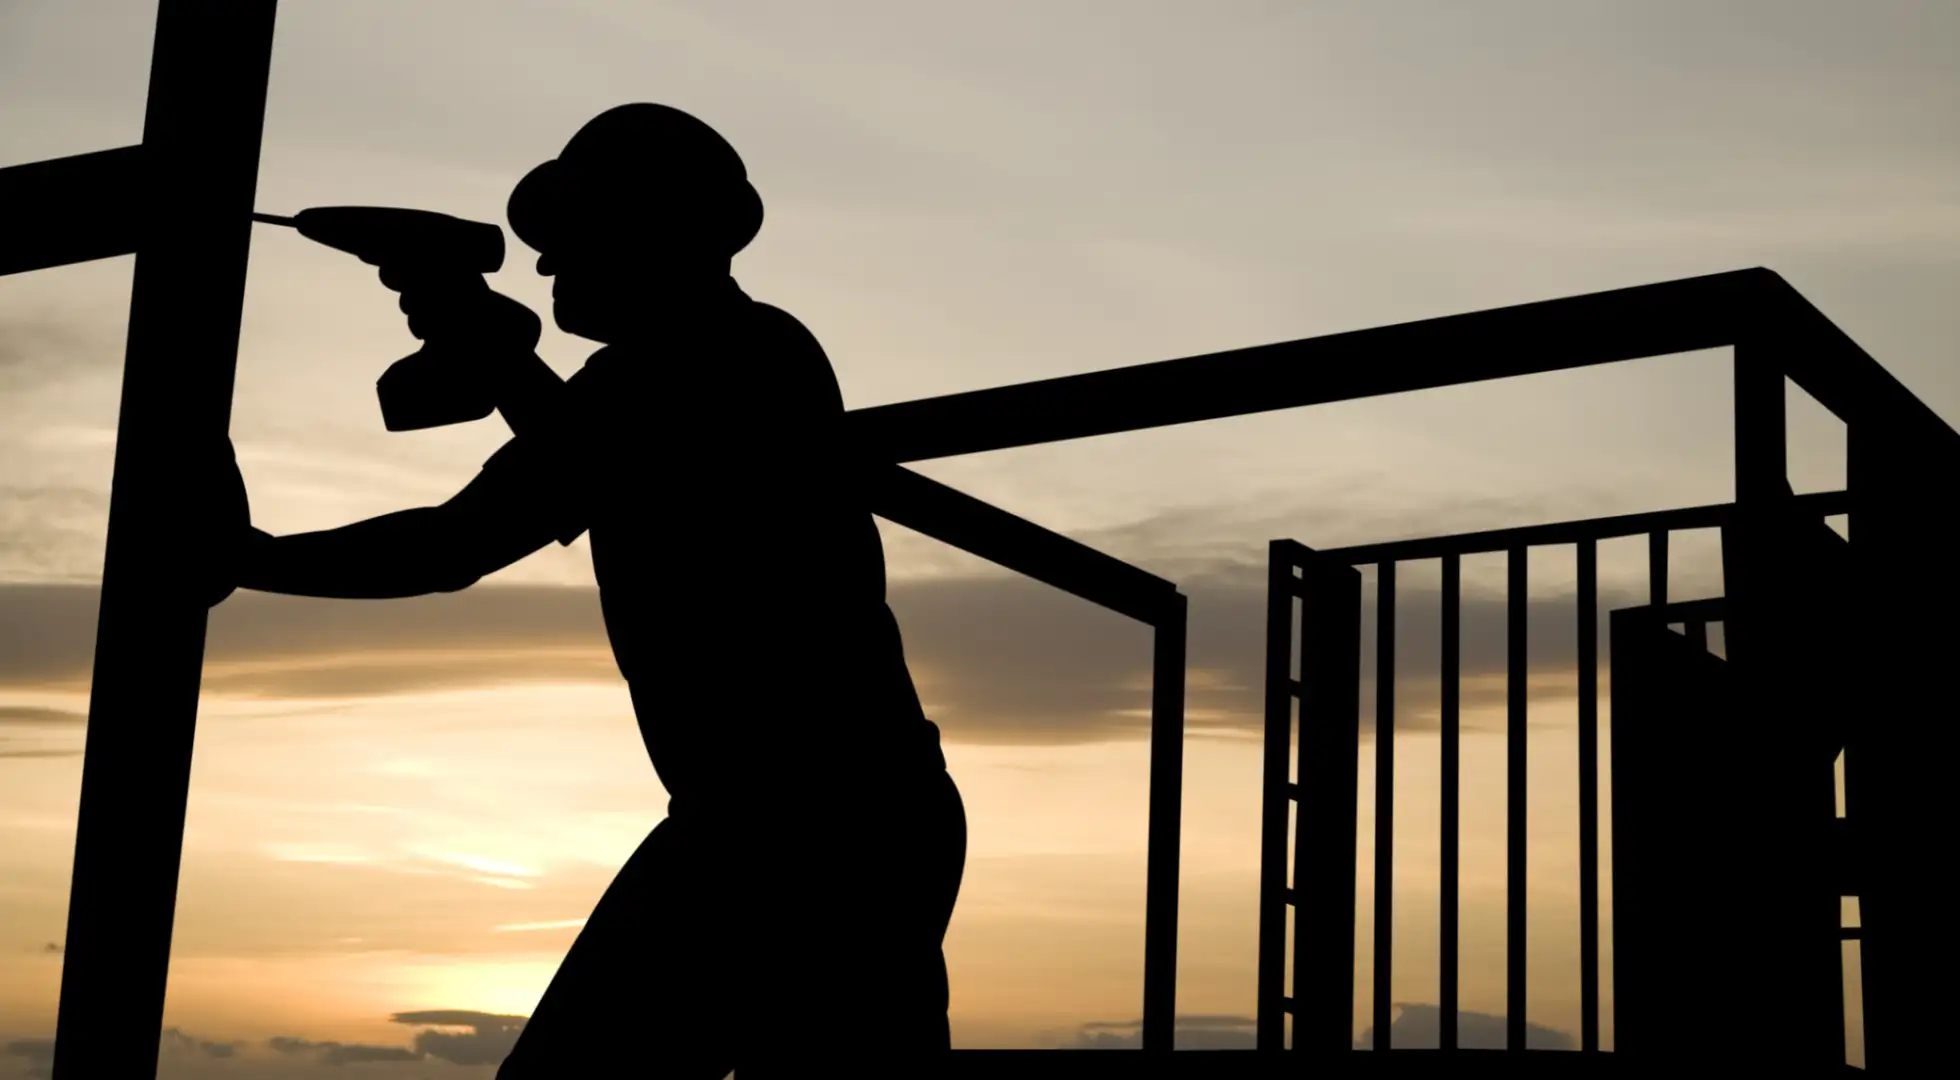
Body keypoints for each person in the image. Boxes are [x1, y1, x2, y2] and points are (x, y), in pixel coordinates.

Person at [219, 104, 967, 1078]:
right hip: (836, 819)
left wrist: (248, 558)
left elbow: (482, 527)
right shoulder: (691, 370)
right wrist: (503, 365)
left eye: (570, 241)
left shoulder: (708, 367)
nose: (544, 267)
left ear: (644, 237)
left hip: (794, 832)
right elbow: (535, 498)